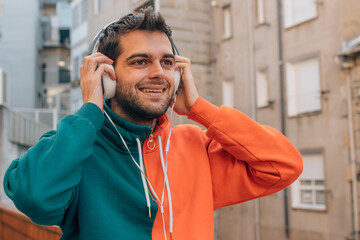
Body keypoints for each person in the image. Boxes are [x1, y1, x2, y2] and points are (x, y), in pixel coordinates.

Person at [3, 8, 302, 240]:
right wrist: (91, 109)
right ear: (106, 74)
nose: (159, 73)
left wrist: (200, 109)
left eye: (167, 63)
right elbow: (35, 198)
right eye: (140, 61)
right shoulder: (78, 147)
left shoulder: (196, 146)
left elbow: (283, 165)